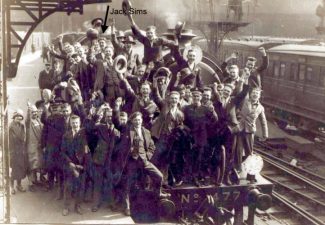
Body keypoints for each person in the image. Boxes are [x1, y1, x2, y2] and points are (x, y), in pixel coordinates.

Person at [115, 112, 169, 216]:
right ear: (132, 121)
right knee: (127, 184)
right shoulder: (127, 131)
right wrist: (128, 151)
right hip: (132, 162)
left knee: (159, 176)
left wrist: (147, 156)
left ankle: (158, 193)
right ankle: (127, 207)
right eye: (135, 120)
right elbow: (121, 147)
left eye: (139, 120)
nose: (137, 122)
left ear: (142, 120)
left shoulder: (146, 132)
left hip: (144, 161)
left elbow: (152, 146)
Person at [183, 88, 218, 186]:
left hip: (202, 137)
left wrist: (213, 112)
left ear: (200, 97)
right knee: (190, 156)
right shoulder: (186, 108)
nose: (196, 98)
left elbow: (214, 120)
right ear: (191, 97)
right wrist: (186, 130)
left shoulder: (206, 109)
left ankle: (198, 176)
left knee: (200, 157)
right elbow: (183, 121)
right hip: (190, 136)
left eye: (198, 96)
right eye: (194, 96)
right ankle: (190, 176)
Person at [91, 107, 120, 212]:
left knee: (110, 182)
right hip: (99, 160)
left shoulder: (116, 132)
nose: (109, 118)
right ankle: (96, 204)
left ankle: (112, 203)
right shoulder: (100, 127)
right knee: (97, 183)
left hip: (110, 161)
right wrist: (98, 114)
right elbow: (92, 127)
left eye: (111, 116)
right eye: (107, 116)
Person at [61, 115, 89, 216]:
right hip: (70, 165)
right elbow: (62, 152)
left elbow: (86, 151)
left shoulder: (84, 134)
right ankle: (66, 207)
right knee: (68, 187)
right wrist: (70, 163)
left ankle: (78, 206)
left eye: (77, 123)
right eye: (73, 123)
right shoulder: (66, 135)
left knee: (80, 188)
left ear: (80, 123)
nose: (75, 125)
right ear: (70, 124)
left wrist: (84, 165)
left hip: (81, 166)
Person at [25, 104, 44, 192]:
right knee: (32, 165)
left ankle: (35, 180)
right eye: (33, 112)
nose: (34, 114)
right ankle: (30, 183)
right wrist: (29, 110)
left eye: (35, 112)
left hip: (38, 146)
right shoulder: (29, 122)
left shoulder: (38, 120)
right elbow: (28, 118)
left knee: (38, 164)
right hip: (32, 147)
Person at [9, 109, 28, 194]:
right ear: (14, 117)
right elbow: (9, 140)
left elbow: (23, 137)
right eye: (17, 116)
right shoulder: (10, 127)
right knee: (13, 170)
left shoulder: (22, 126)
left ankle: (19, 185)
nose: (19, 118)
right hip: (13, 151)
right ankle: (11, 187)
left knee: (20, 168)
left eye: (20, 117)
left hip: (21, 150)